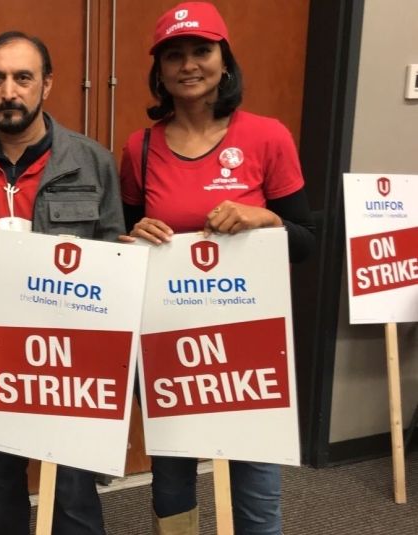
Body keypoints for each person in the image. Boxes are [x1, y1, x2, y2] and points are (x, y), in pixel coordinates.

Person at [118, 3, 315, 534]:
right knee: (172, 483)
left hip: (248, 344)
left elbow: (306, 241)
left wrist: (265, 217)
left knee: (254, 491)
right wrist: (133, 236)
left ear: (224, 60)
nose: (188, 64)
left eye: (201, 51)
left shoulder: (268, 137)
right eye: (174, 55)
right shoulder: (139, 149)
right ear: (158, 71)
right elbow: (127, 241)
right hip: (170, 344)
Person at [0, 31, 123, 535]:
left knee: (74, 489)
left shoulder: (92, 162)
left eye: (23, 78)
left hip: (68, 364)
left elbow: (112, 265)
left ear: (48, 84)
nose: (9, 92)